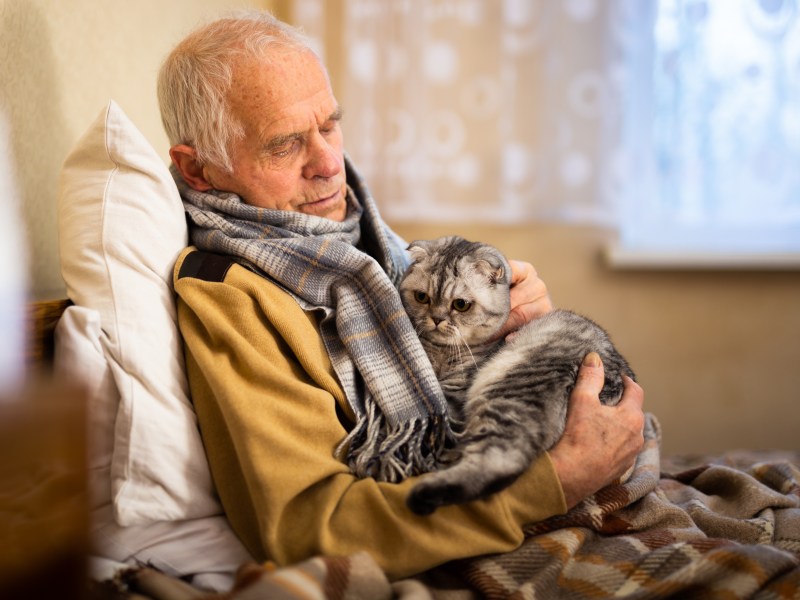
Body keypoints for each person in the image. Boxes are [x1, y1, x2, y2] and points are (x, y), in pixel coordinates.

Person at [158, 10, 645, 580]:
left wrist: (511, 335)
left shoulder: (371, 251)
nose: (328, 162)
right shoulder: (231, 298)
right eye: (284, 144)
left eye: (330, 125)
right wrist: (554, 481)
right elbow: (312, 528)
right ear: (197, 170)